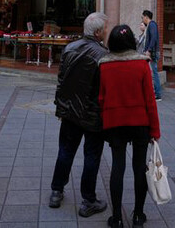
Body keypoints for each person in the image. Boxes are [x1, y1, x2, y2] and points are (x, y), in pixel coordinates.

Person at [98, 25, 160, 228]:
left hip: (115, 122)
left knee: (118, 167)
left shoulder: (104, 66)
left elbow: (101, 98)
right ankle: (137, 215)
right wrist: (155, 130)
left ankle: (116, 217)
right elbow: (150, 100)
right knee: (139, 168)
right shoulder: (142, 64)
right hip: (140, 122)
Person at [48, 12, 109, 218]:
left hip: (70, 113)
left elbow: (61, 80)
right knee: (91, 156)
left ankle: (56, 191)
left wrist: (60, 107)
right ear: (99, 32)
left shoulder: (70, 48)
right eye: (105, 28)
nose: (106, 31)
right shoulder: (103, 54)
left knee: (65, 151)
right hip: (93, 115)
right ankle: (88, 200)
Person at [141, 10, 162, 100]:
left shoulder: (152, 25)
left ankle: (158, 94)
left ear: (146, 17)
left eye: (142, 17)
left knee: (154, 73)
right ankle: (155, 92)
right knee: (153, 72)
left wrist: (149, 50)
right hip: (153, 51)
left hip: (153, 52)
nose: (142, 20)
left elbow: (153, 38)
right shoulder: (151, 25)